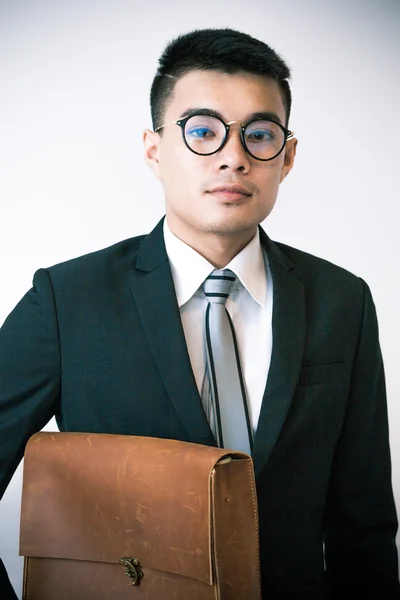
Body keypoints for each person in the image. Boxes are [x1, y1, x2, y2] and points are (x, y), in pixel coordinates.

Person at [0, 28, 399, 599]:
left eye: (259, 135)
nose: (234, 158)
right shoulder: (67, 300)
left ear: (285, 157)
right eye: (204, 132)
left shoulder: (342, 300)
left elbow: (365, 525)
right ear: (154, 149)